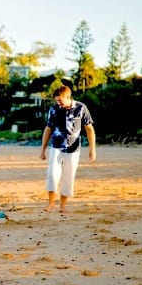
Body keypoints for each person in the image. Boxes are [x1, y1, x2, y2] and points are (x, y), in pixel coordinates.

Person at [40, 85, 96, 213]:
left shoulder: (81, 108)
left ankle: (63, 205)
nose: (58, 103)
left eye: (60, 100)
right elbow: (48, 129)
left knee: (68, 176)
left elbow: (89, 129)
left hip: (73, 148)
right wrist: (43, 150)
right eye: (56, 101)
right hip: (56, 146)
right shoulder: (54, 109)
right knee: (52, 174)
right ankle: (51, 203)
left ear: (68, 97)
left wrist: (92, 149)